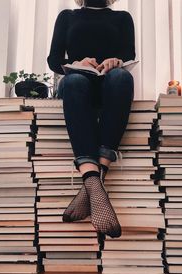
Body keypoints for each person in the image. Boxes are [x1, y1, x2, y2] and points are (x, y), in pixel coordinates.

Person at [47, 0, 136, 238]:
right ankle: (95, 184)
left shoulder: (123, 18)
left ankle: (92, 184)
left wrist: (115, 61)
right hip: (77, 84)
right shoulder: (67, 16)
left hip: (110, 83)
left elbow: (129, 54)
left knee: (121, 78)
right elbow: (54, 59)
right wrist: (75, 64)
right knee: (74, 80)